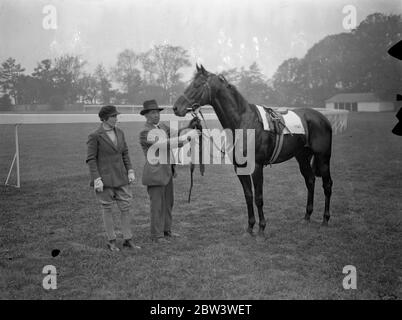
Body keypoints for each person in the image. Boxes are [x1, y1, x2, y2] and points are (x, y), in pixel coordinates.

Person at [139, 99, 199, 243]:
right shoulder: (145, 132)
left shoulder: (162, 126)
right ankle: (156, 235)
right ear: (146, 115)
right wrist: (187, 137)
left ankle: (166, 230)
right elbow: (165, 144)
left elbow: (177, 134)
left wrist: (190, 126)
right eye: (152, 113)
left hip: (167, 172)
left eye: (157, 112)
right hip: (155, 173)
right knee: (157, 206)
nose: (156, 115)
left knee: (168, 203)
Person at [86, 105, 141, 252]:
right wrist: (96, 178)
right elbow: (91, 159)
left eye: (116, 116)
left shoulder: (120, 133)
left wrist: (130, 170)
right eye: (113, 116)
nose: (116, 119)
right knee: (107, 208)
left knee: (126, 208)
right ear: (104, 118)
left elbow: (125, 153)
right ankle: (111, 240)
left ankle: (128, 239)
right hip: (105, 179)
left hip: (121, 177)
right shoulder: (95, 135)